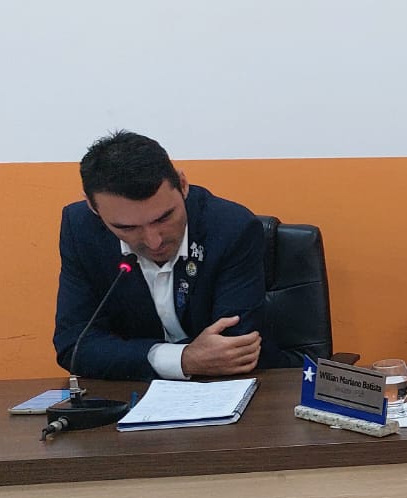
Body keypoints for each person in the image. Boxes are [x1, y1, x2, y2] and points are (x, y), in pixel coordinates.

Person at [54, 130, 273, 381]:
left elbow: (235, 347)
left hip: (235, 388)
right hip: (134, 393)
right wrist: (183, 359)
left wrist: (128, 355)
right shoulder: (80, 229)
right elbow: (74, 345)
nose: (153, 241)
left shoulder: (231, 227)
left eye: (164, 218)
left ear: (183, 184)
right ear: (93, 207)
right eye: (127, 228)